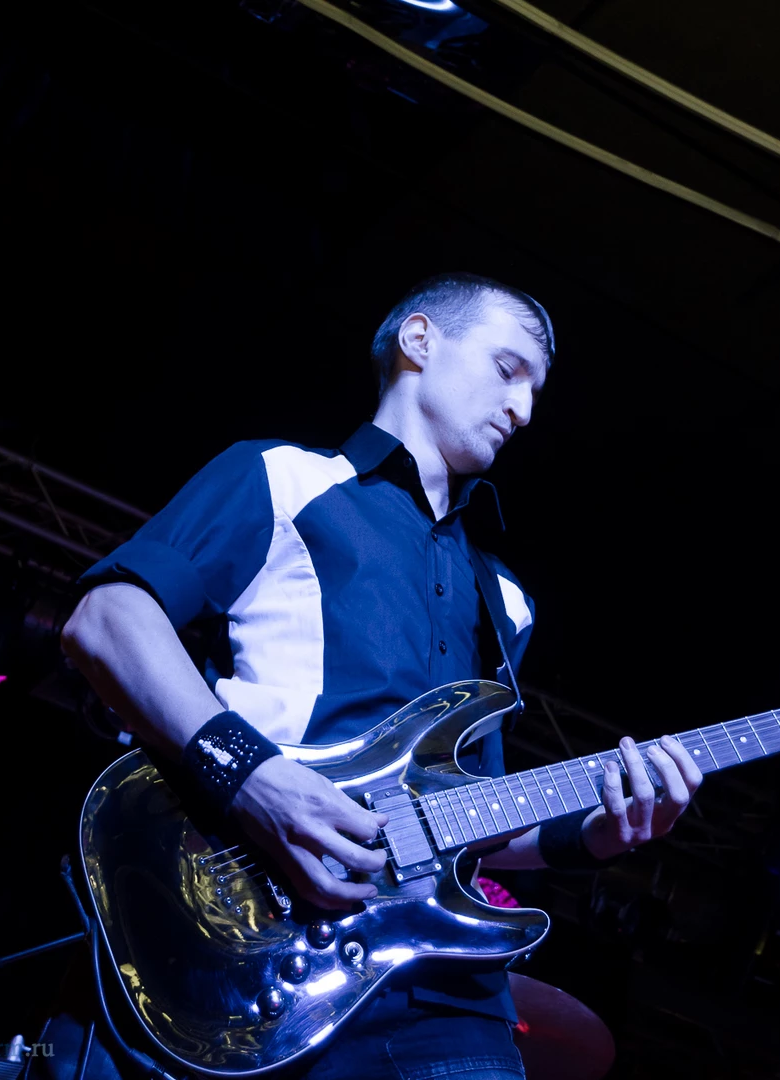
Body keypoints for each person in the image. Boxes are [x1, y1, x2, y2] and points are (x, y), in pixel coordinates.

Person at [56, 272, 704, 1080]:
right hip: (256, 950)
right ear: (419, 341)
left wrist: (603, 831)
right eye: (508, 370)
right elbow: (107, 620)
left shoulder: (506, 599)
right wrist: (251, 775)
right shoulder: (282, 479)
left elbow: (471, 815)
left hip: (446, 996)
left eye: (536, 392)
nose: (524, 410)